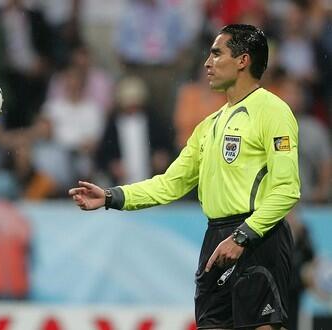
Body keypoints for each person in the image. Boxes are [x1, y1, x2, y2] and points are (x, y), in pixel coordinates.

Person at [69, 24, 300, 329]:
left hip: (257, 237)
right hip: (215, 238)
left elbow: (287, 189)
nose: (207, 63)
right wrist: (113, 196)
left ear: (243, 60)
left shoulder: (273, 112)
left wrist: (244, 235)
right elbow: (170, 183)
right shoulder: (208, 126)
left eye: (217, 54)